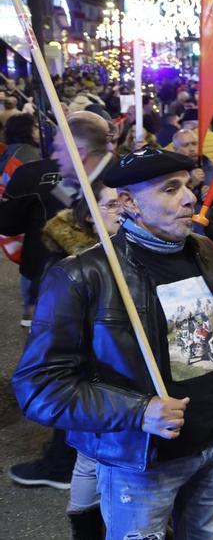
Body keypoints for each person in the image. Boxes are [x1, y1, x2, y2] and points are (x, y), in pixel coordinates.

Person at [13, 147, 213, 539]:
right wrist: (139, 411)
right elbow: (38, 388)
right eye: (170, 189)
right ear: (128, 203)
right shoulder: (81, 276)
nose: (190, 197)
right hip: (141, 462)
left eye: (188, 185)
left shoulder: (204, 252)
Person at [10, 180, 122, 536]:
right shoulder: (69, 268)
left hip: (119, 387)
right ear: (90, 216)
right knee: (90, 459)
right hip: (92, 386)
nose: (124, 211)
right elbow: (48, 359)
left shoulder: (122, 253)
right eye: (114, 205)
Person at [0, 111, 111, 327]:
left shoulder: (121, 181)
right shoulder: (61, 182)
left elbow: (9, 224)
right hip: (48, 279)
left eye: (58, 147)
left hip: (91, 284)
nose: (54, 155)